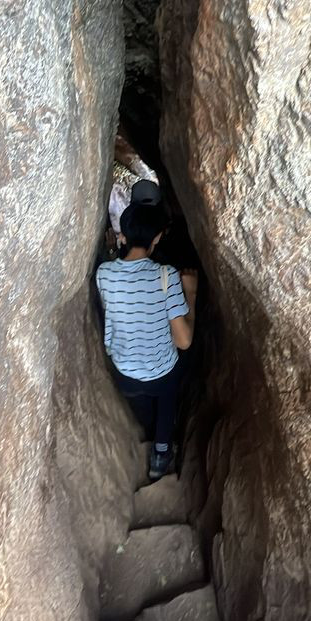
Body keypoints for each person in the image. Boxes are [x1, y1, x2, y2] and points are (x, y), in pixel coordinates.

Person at [96, 202, 198, 480]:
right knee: (169, 392)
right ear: (157, 238)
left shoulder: (103, 274)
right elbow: (184, 341)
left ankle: (147, 427)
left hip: (124, 375)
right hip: (161, 376)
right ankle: (161, 452)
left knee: (145, 404)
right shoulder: (166, 277)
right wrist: (191, 294)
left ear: (123, 236)